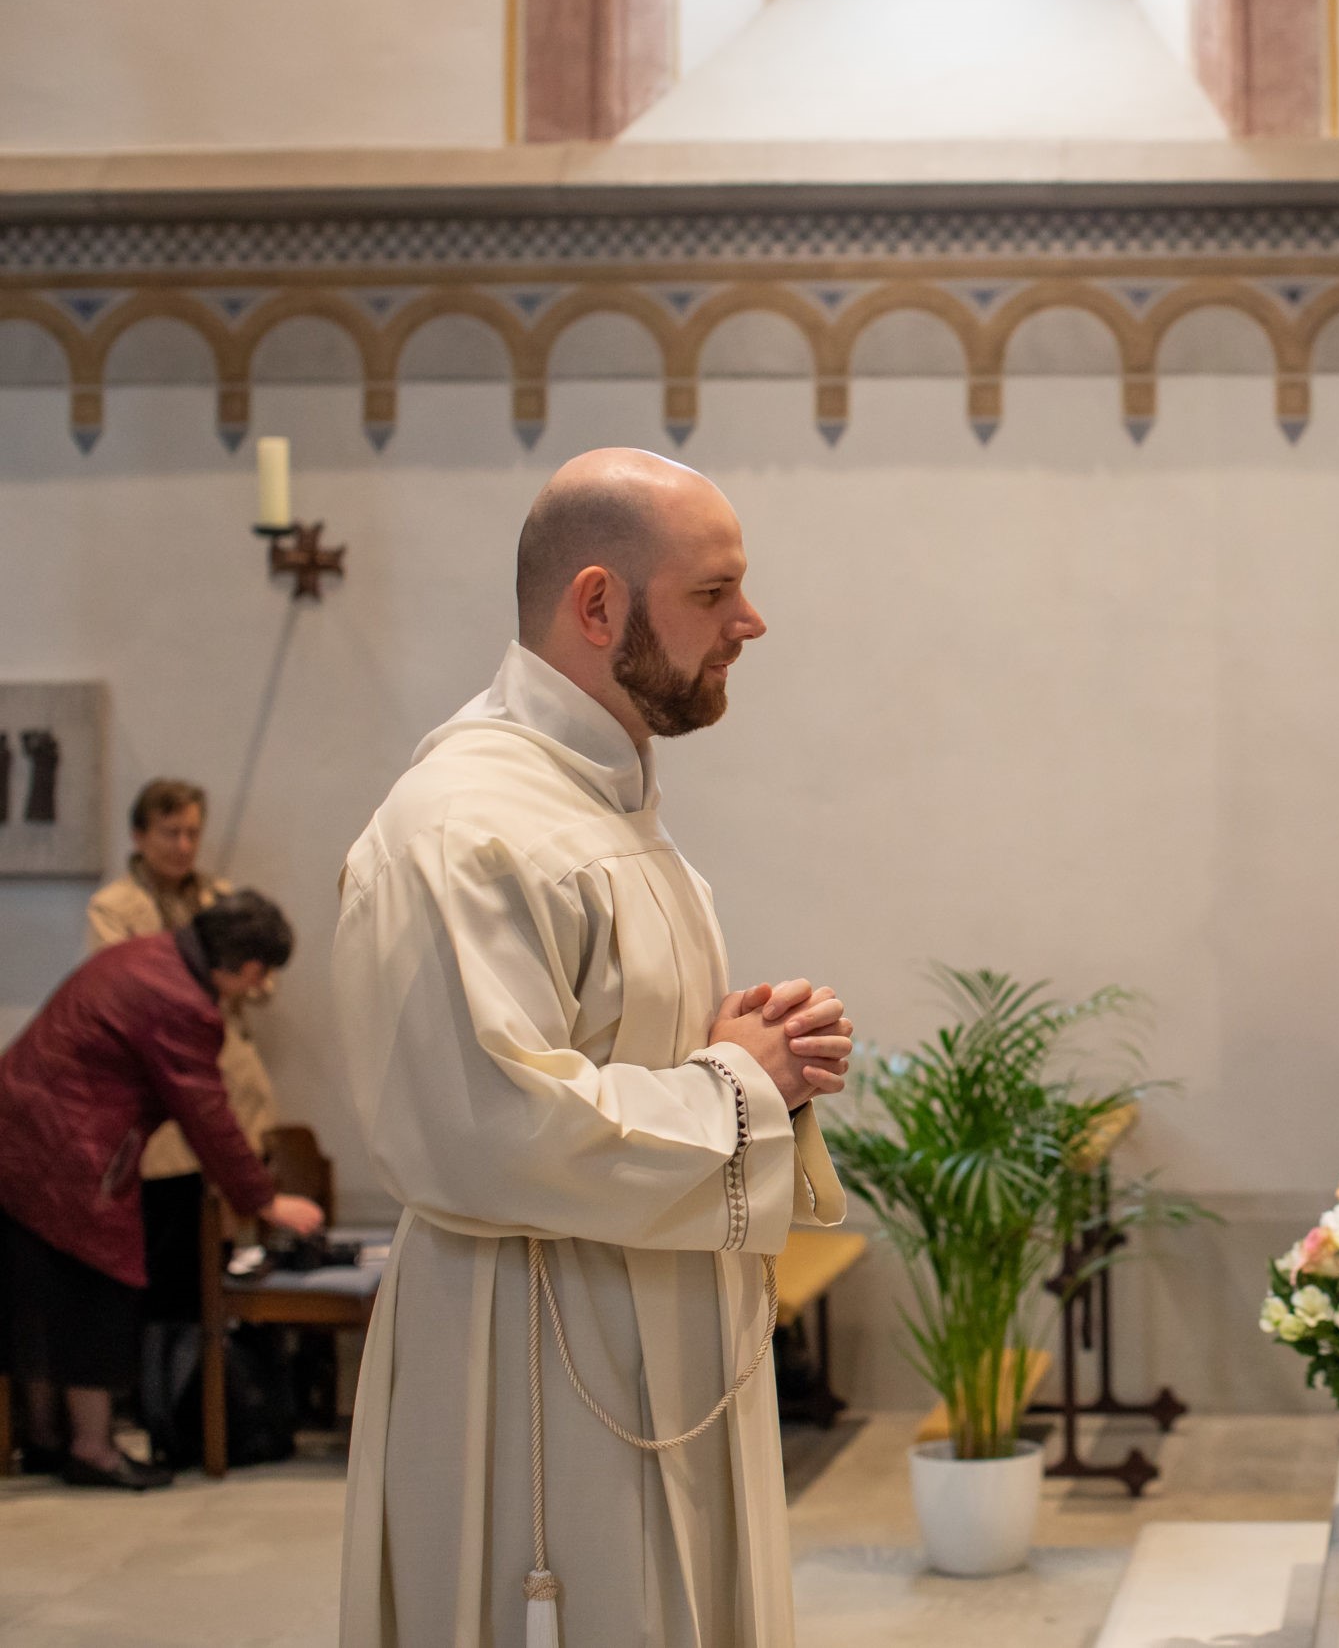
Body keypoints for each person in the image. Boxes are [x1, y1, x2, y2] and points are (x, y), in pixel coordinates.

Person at [334, 448, 850, 1648]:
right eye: (714, 594)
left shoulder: (603, 802)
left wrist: (765, 1056)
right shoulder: (464, 825)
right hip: (533, 1367)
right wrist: (738, 1083)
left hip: (659, 1325)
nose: (750, 623)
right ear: (599, 604)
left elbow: (643, 1059)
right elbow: (487, 1125)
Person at [0, 890, 325, 1489]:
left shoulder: (144, 956)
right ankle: (93, 1450)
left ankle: (46, 1437)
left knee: (35, 1294)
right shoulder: (180, 1000)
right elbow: (205, 1110)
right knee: (98, 1290)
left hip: (20, 1132)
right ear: (248, 968)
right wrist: (263, 1199)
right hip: (68, 1153)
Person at [87, 778, 280, 1329]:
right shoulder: (113, 906)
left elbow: (264, 983)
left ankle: (219, 1398)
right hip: (165, 1113)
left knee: (229, 1266)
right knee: (169, 1270)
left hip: (233, 1092)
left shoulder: (219, 898)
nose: (183, 845)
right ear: (140, 835)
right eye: (171, 832)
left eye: (193, 832)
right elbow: (126, 992)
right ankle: (169, 1398)